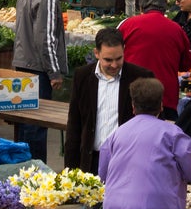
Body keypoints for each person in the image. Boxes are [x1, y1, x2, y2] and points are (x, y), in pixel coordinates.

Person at [98, 78, 191, 209]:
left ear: (133, 106)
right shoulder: (172, 133)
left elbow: (103, 173)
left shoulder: (117, 133)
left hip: (115, 208)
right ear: (161, 106)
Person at [64, 28, 154, 174]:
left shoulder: (141, 77)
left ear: (124, 51)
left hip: (128, 163)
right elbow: (74, 124)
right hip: (91, 161)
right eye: (108, 60)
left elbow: (152, 124)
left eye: (119, 58)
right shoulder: (82, 76)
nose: (114, 65)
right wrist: (70, 169)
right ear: (96, 53)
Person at [14, 0, 68, 161]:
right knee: (36, 124)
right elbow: (46, 38)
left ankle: (24, 169)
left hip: (24, 62)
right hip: (38, 68)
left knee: (27, 121)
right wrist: (54, 72)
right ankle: (37, 171)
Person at [120, 0, 191, 117]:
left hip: (132, 97)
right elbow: (185, 65)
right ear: (164, 9)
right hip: (165, 98)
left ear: (141, 7)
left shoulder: (127, 25)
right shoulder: (176, 29)